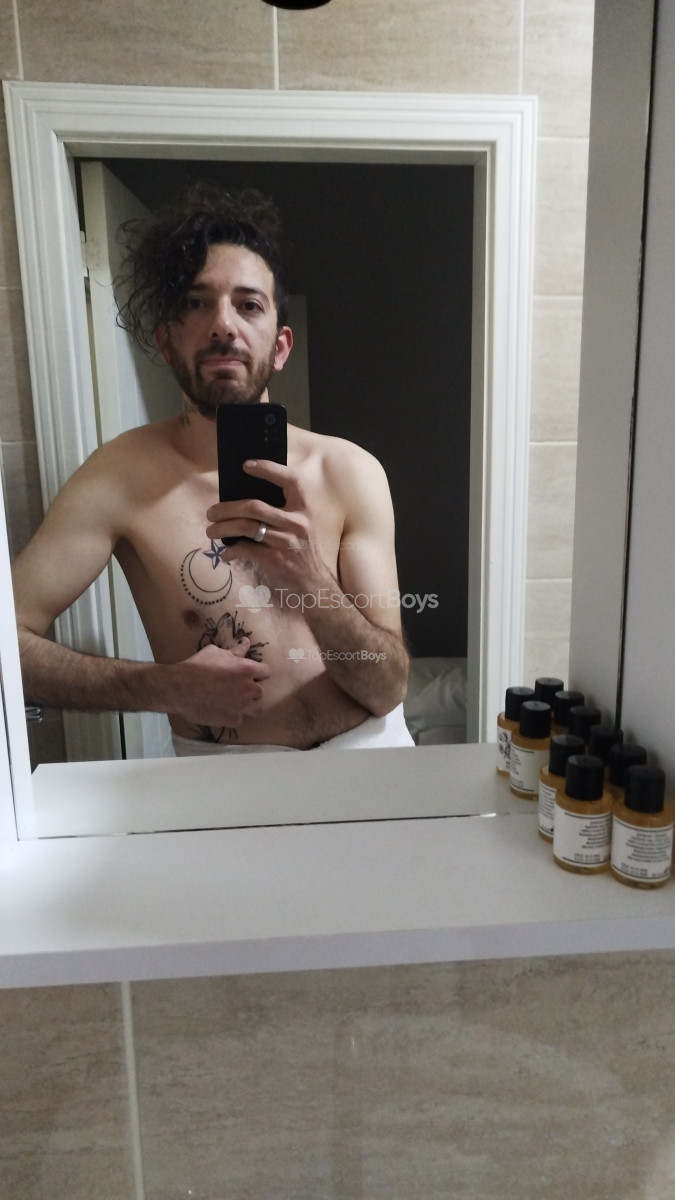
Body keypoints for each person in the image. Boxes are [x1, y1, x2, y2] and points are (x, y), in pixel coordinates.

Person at [11, 184, 413, 754]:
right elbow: (7, 642)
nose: (223, 325)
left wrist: (309, 577)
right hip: (221, 773)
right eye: (197, 303)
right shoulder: (118, 479)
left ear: (280, 346)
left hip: (371, 755)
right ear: (166, 342)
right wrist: (162, 686)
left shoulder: (350, 471)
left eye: (249, 305)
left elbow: (386, 688)